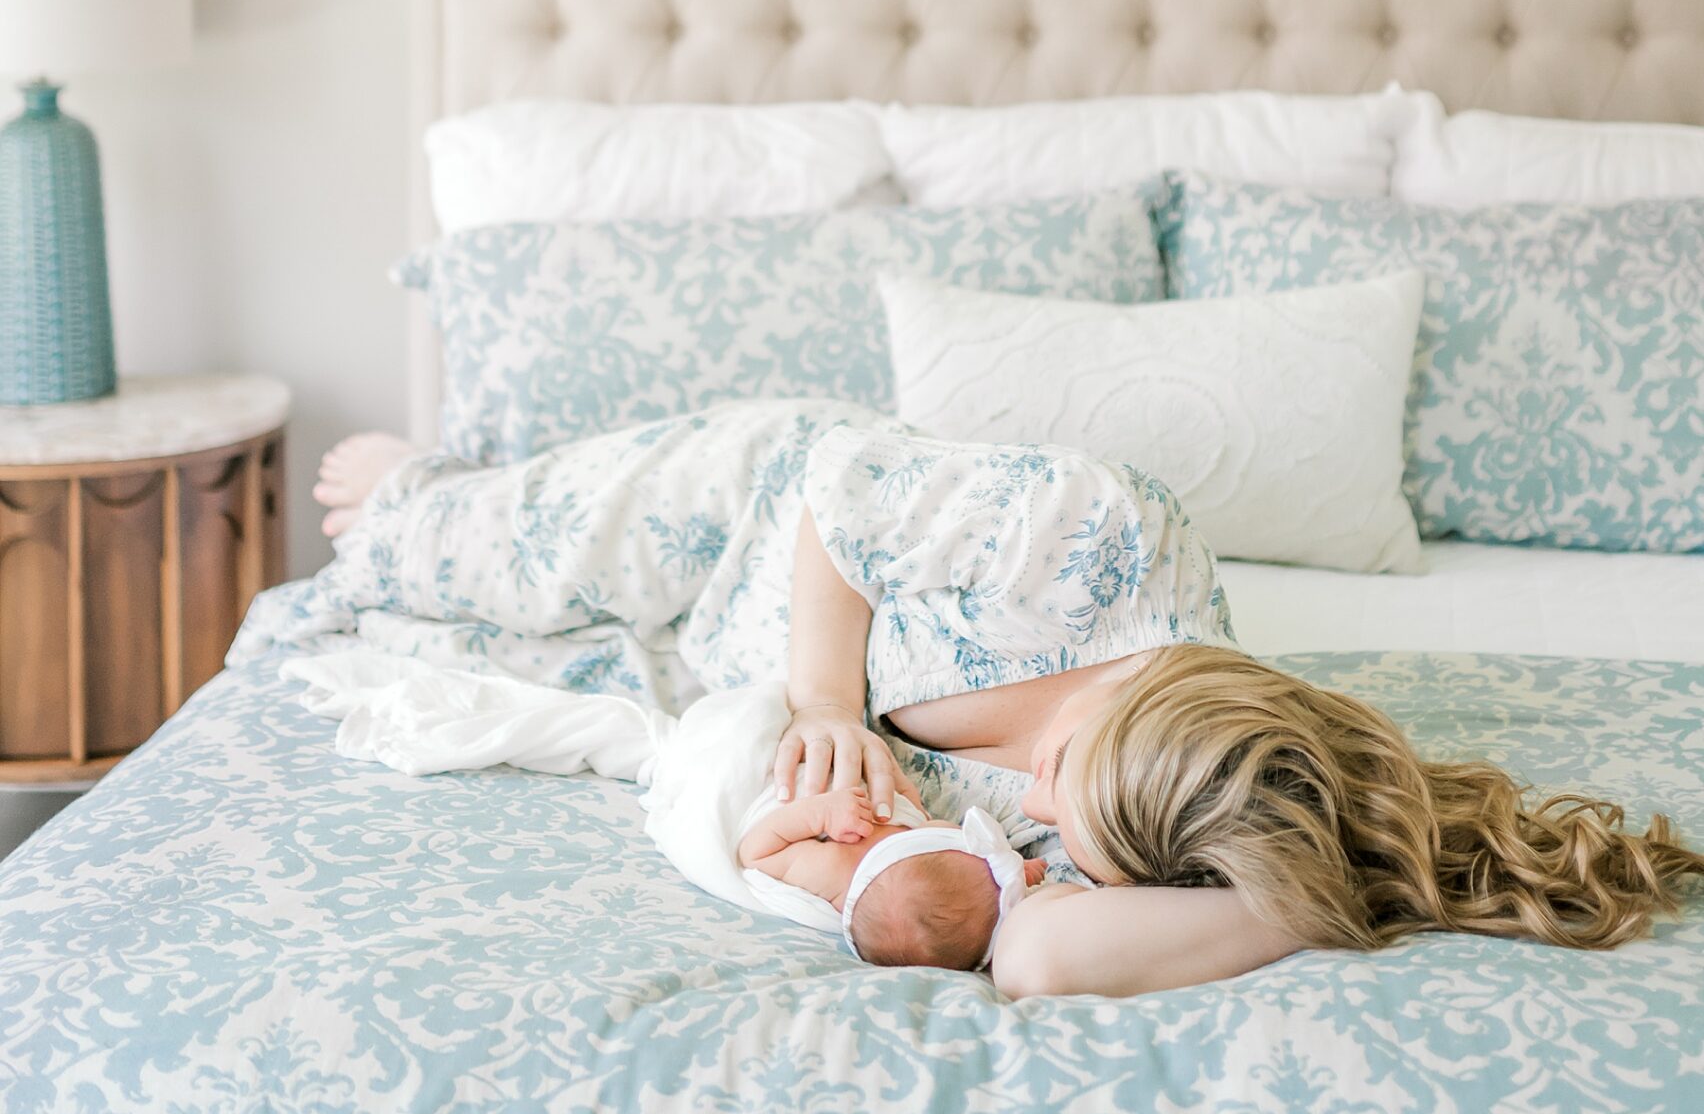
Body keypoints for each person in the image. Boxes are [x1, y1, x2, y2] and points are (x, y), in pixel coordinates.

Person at [294, 408, 1702, 1001]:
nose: (1029, 817)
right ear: (1114, 709)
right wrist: (826, 697)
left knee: (466, 655)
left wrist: (1308, 893)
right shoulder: (1094, 533)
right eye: (1059, 780)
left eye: (1067, 832)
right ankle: (441, 478)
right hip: (763, 516)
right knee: (397, 547)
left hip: (700, 671)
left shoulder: (1160, 810)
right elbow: (842, 489)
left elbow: (1037, 962)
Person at [736, 782, 1045, 969]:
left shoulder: (834, 866)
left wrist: (818, 813)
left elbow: (755, 853)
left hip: (776, 792)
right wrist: (1013, 877)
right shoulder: (907, 876)